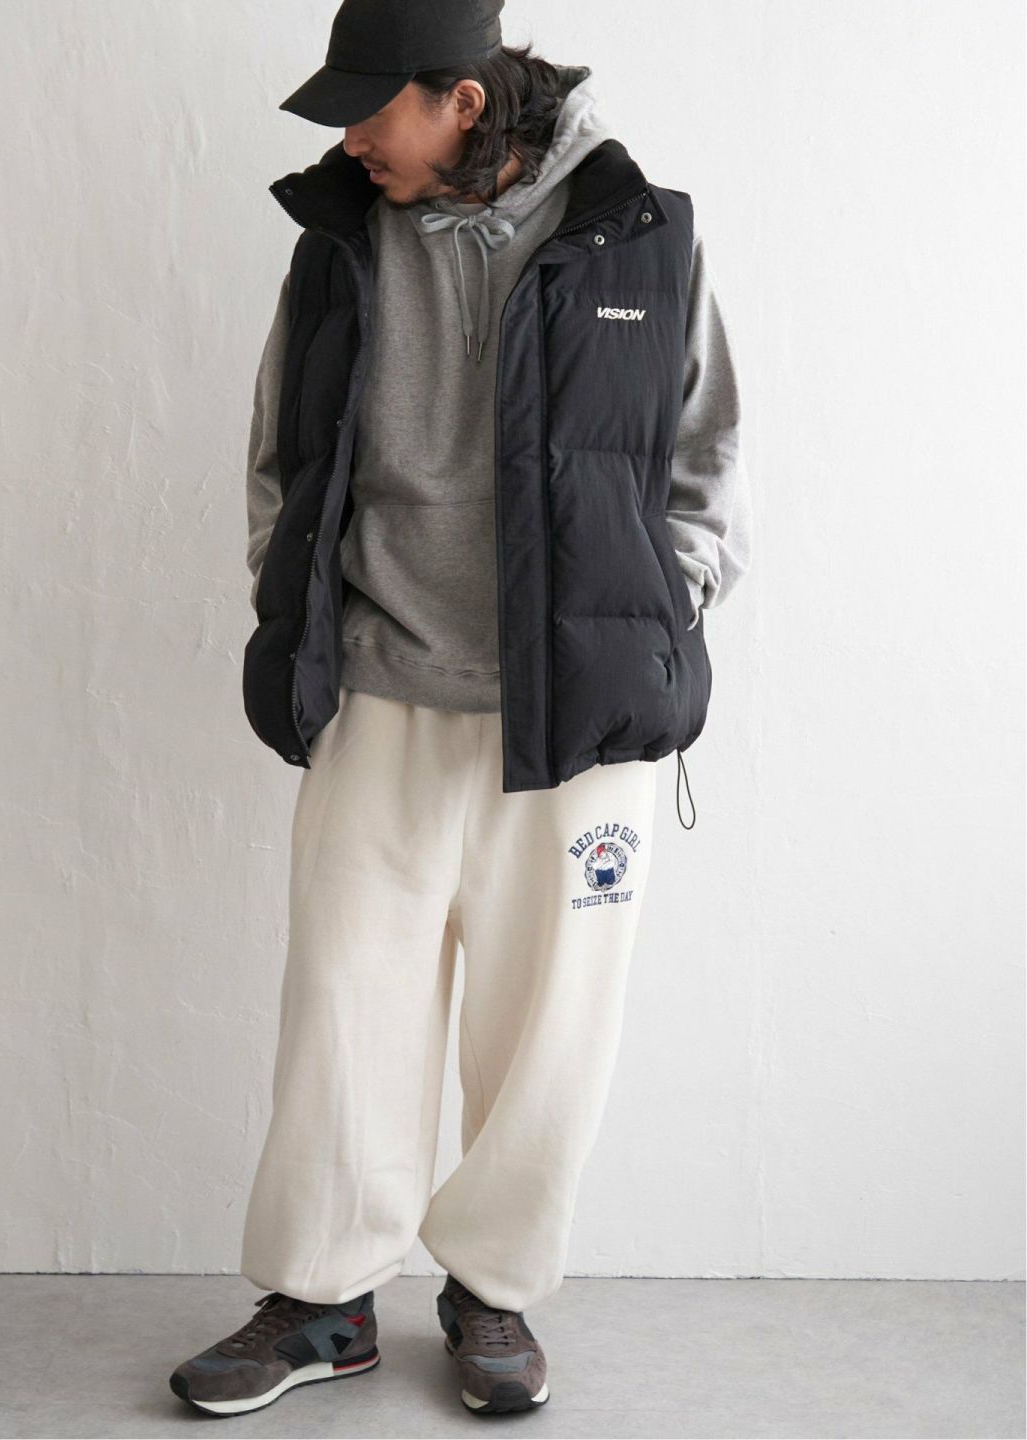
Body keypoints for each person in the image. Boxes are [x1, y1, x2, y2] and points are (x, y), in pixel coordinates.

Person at [169, 0, 752, 1418]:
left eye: (373, 108)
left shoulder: (639, 235)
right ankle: (322, 1300)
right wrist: (299, 595)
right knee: (343, 1009)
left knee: (548, 1023)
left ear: (465, 102)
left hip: (579, 716)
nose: (348, 139)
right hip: (380, 692)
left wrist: (653, 614)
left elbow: (706, 458)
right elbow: (280, 451)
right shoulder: (341, 242)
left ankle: (493, 1294)